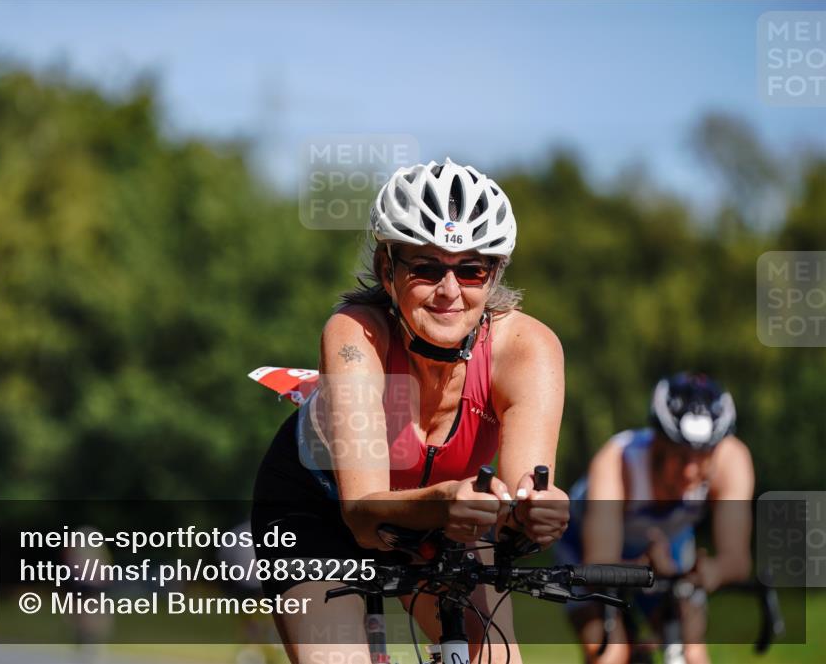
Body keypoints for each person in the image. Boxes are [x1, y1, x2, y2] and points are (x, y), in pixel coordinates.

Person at [251, 158, 570, 664]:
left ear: (493, 276)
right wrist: (447, 500)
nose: (449, 291)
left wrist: (537, 513)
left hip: (444, 515)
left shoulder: (528, 350)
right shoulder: (357, 335)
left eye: (471, 269)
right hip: (318, 503)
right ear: (387, 269)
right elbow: (361, 515)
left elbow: (519, 497)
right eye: (425, 267)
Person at [557, 373, 755, 664]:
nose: (689, 471)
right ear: (657, 442)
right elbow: (597, 563)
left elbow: (736, 560)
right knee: (610, 654)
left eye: (701, 457)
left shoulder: (733, 461)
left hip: (666, 551)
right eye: (679, 455)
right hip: (586, 550)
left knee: (691, 652)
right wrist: (641, 570)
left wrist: (707, 573)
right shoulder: (617, 462)